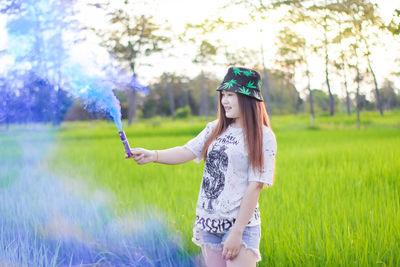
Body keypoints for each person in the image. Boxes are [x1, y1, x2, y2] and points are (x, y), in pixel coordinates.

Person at [126, 66, 277, 267]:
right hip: (208, 225)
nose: (224, 101)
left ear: (248, 98)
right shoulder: (215, 128)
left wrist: (237, 231)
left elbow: (255, 185)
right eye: (223, 95)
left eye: (231, 95)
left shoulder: (263, 136)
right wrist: (153, 155)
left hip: (240, 227)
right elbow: (186, 151)